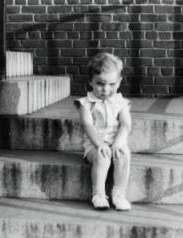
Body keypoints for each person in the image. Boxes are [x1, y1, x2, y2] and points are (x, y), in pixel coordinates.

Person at [74, 53, 132, 211]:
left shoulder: (121, 103)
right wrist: (99, 144)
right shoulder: (86, 104)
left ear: (119, 82)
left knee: (123, 154)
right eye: (100, 84)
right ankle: (98, 194)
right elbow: (88, 125)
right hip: (94, 144)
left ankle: (118, 194)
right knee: (102, 156)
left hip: (115, 142)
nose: (106, 89)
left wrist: (118, 142)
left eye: (112, 84)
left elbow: (126, 124)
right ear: (90, 81)